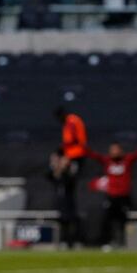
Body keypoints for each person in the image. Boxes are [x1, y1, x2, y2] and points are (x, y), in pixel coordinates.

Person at [86, 138, 137, 249]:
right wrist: (84, 148)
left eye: (115, 149)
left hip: (124, 196)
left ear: (121, 151)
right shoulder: (107, 161)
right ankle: (108, 242)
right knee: (108, 220)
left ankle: (126, 242)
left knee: (124, 220)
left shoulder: (127, 160)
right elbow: (94, 156)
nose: (113, 151)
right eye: (111, 149)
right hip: (111, 196)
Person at [54, 106, 88, 249]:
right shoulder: (70, 122)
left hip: (76, 157)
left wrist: (68, 158)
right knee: (67, 199)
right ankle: (68, 240)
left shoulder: (72, 121)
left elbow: (77, 142)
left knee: (70, 202)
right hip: (73, 158)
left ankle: (73, 240)